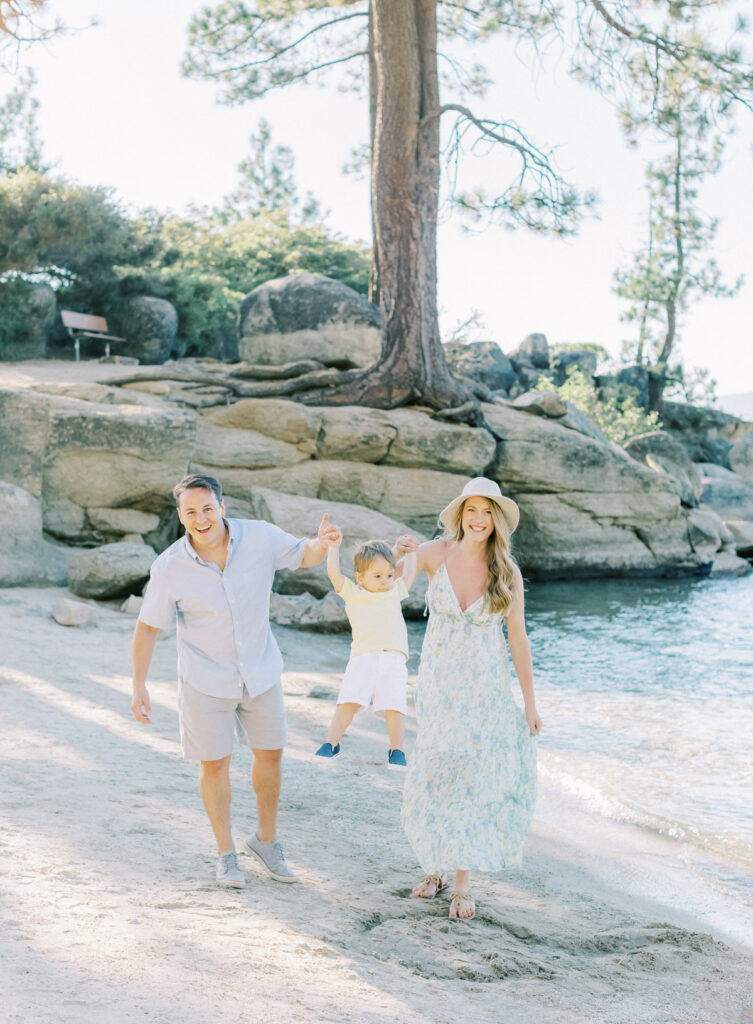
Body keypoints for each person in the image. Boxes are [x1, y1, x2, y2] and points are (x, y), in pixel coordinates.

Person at [130, 473, 341, 889]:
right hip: (205, 679)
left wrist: (324, 543)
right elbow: (147, 627)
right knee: (216, 764)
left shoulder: (260, 537)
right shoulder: (170, 566)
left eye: (208, 508)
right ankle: (226, 853)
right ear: (180, 516)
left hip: (260, 671)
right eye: (191, 512)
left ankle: (265, 841)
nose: (201, 518)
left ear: (222, 508)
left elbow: (305, 554)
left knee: (271, 755)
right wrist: (139, 685)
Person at [397, 477, 542, 921]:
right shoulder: (435, 553)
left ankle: (461, 881)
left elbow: (518, 640)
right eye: (472, 510)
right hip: (439, 688)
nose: (479, 520)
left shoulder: (507, 572)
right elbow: (390, 587)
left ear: (497, 519)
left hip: (484, 692)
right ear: (460, 515)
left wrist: (530, 704)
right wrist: (401, 555)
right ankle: (435, 867)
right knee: (440, 772)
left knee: (471, 779)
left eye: (487, 512)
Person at [315, 537, 418, 769]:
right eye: (378, 576)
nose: (385, 581)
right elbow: (334, 574)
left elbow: (410, 574)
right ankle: (331, 744)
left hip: (393, 657)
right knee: (349, 701)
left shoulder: (394, 592)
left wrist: (411, 553)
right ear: (360, 577)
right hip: (363, 657)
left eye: (389, 575)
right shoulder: (354, 593)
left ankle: (397, 750)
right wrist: (333, 547)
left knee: (395, 704)